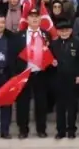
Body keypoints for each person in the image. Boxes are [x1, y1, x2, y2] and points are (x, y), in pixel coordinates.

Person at [16, 7, 54, 139]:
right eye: (31, 17)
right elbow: (14, 55)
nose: (34, 19)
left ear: (40, 19)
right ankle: (23, 129)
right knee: (22, 103)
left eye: (37, 17)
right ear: (27, 19)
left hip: (40, 74)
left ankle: (41, 129)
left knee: (41, 103)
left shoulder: (45, 34)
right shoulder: (19, 35)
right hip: (24, 74)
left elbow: (51, 52)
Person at [49, 20, 79, 139]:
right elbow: (49, 59)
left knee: (72, 106)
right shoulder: (53, 44)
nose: (64, 33)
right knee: (60, 106)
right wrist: (51, 62)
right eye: (61, 31)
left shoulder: (78, 42)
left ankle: (71, 130)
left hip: (73, 78)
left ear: (71, 31)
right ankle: (61, 130)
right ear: (57, 32)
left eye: (66, 30)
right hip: (58, 78)